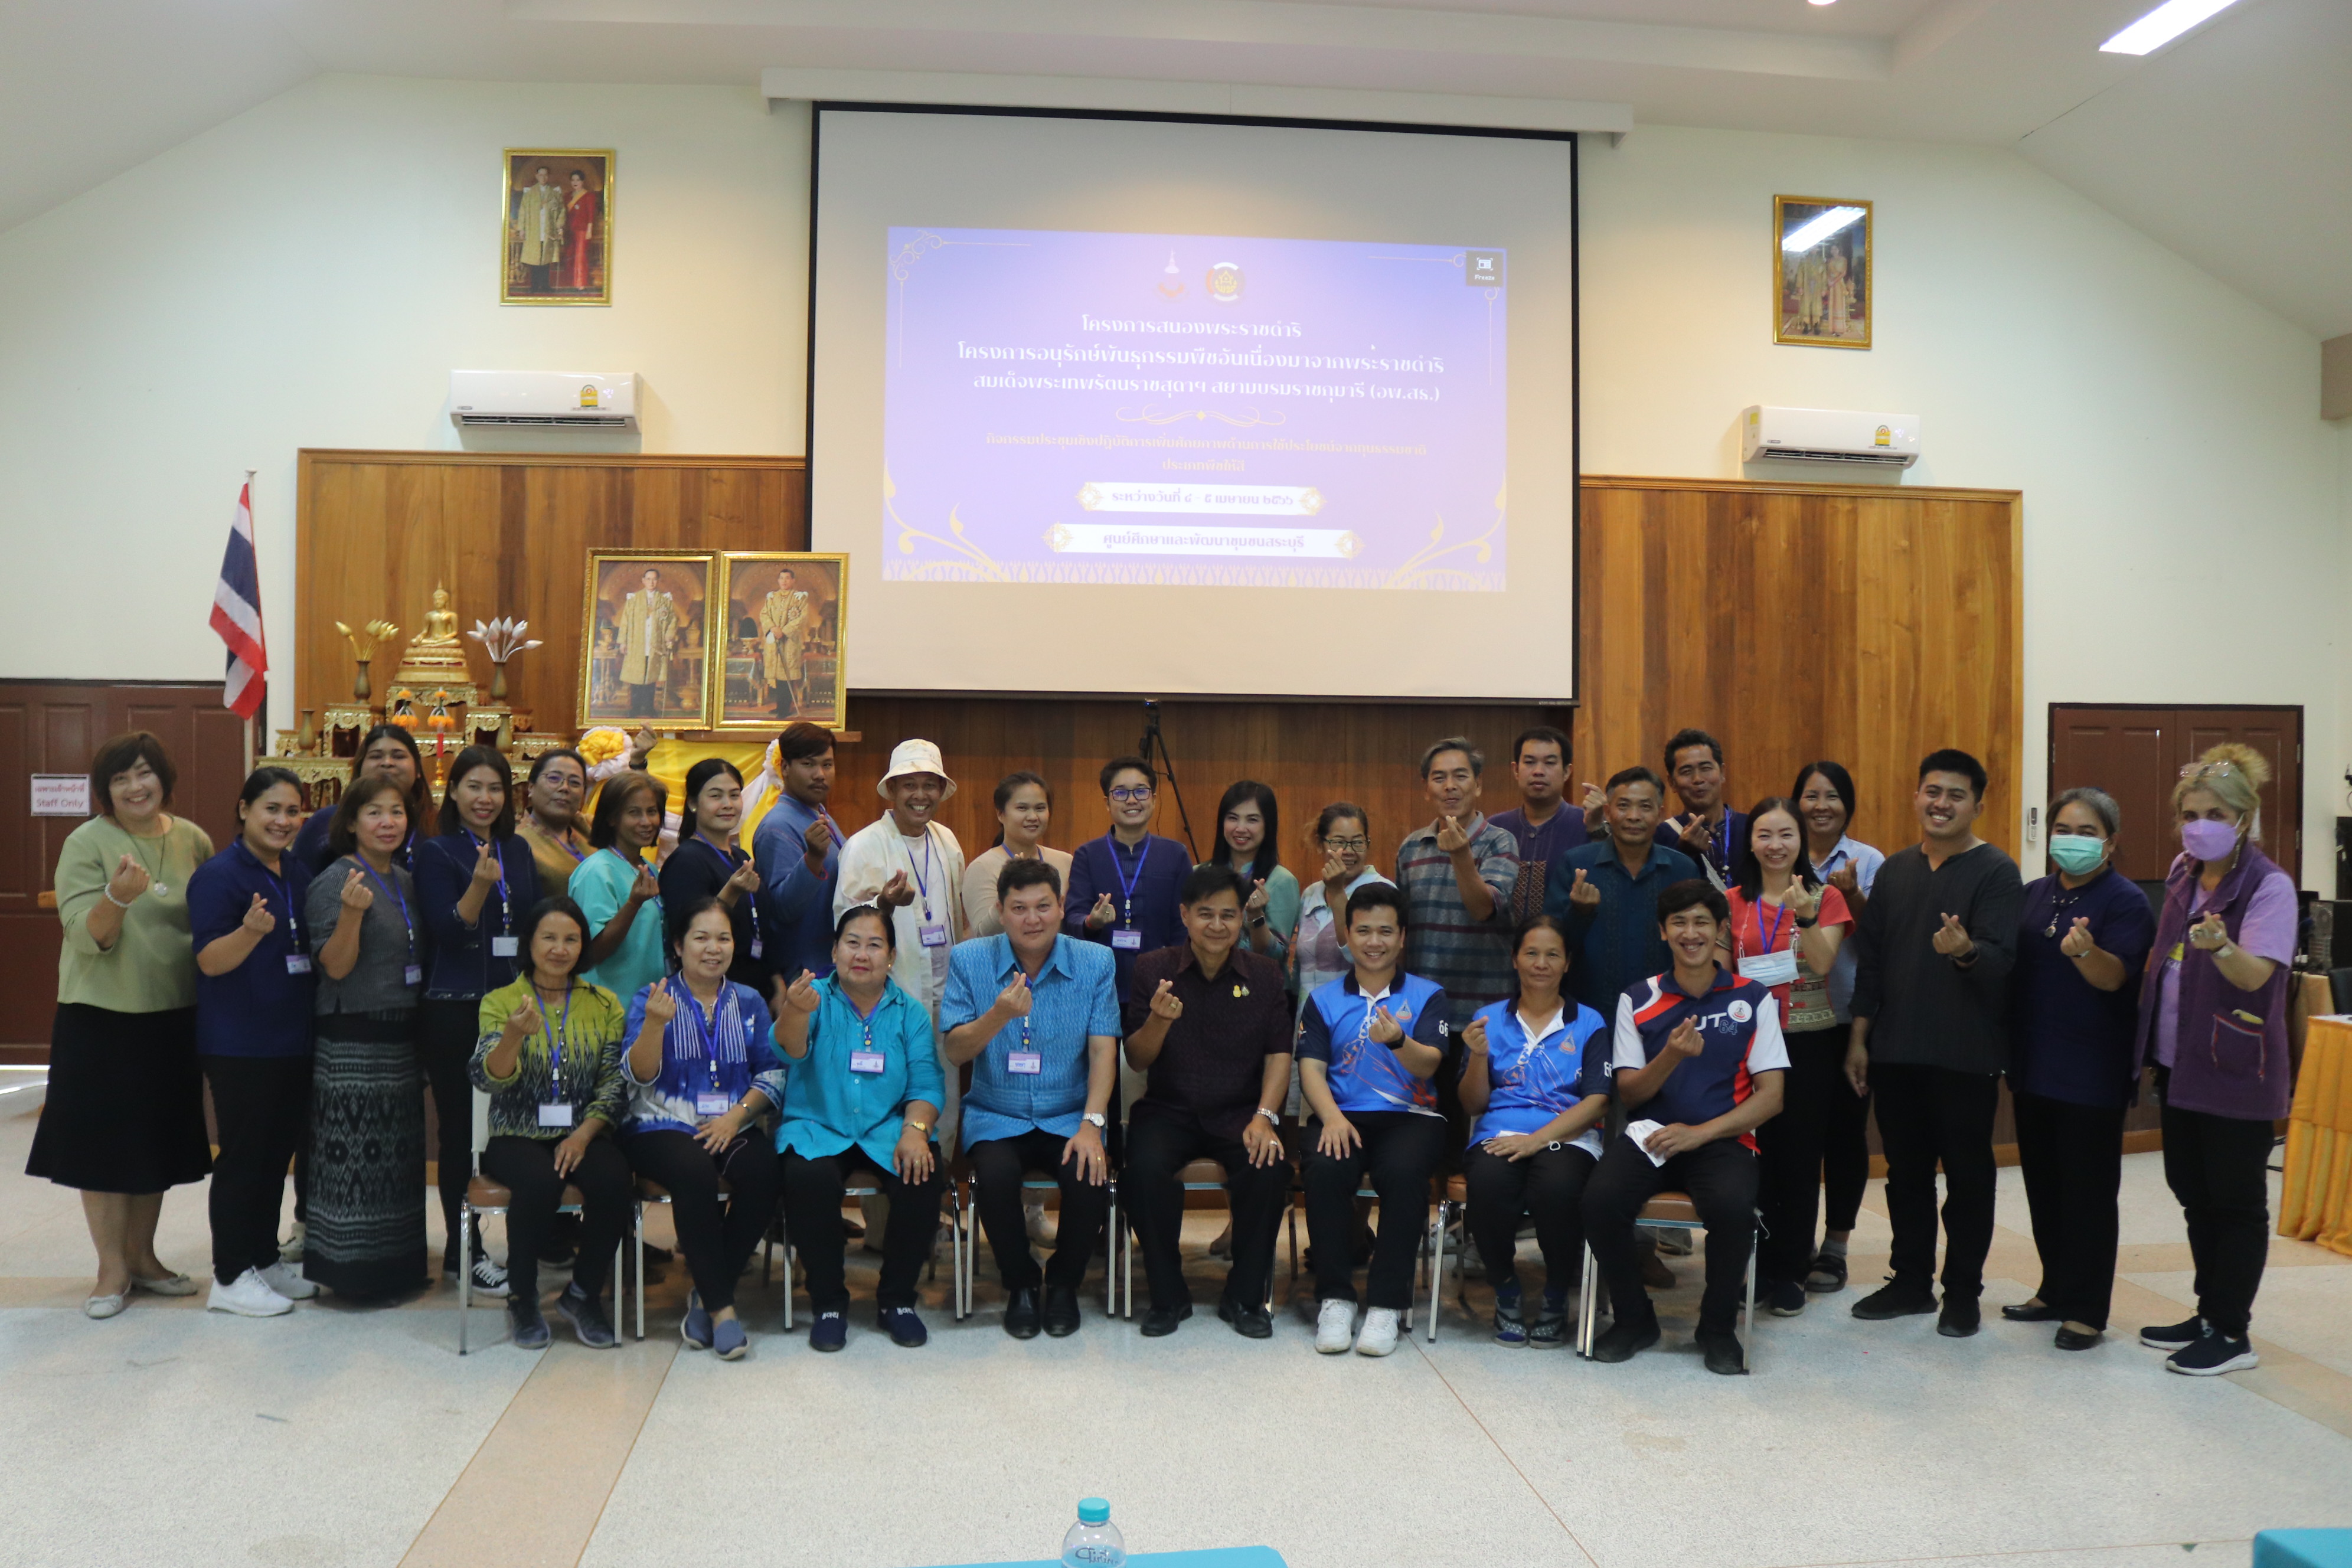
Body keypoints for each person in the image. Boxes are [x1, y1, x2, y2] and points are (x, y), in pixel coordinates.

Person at [27, 733, 214, 1318]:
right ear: (105, 791)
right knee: (103, 1146)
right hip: (101, 1018)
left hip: (173, 1014)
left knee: (154, 1141)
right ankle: (111, 1268)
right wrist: (117, 896)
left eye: (145, 773)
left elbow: (208, 920)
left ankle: (144, 1258)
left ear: (164, 779)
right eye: (121, 778)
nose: (136, 787)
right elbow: (87, 934)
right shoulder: (86, 842)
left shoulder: (193, 839)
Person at [1846, 749, 2023, 1339]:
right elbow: (1871, 962)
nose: (1941, 803)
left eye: (1955, 795)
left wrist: (1966, 951)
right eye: (1932, 791)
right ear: (1917, 796)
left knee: (1968, 1178)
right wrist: (1860, 1039)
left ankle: (1963, 1293)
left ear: (1978, 805)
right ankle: (1910, 1282)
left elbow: (2001, 961)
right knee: (1906, 1176)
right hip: (1896, 1050)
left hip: (1965, 1054)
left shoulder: (1997, 871)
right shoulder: (1895, 870)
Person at [2132, 744, 2297, 1376]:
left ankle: (2232, 1332)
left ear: (2244, 819)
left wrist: (2224, 947)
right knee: (2193, 1191)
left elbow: (2256, 976)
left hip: (2237, 1066)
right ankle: (2208, 1311)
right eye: (2190, 814)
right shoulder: (2183, 871)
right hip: (2181, 1062)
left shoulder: (2268, 886)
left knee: (2235, 1201)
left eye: (2216, 814)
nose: (2200, 826)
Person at [1583, 880, 1788, 1374]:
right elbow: (1631, 1093)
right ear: (1663, 931)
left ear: (1720, 930)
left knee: (1733, 1209)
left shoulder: (1753, 997)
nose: (1690, 933)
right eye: (1679, 923)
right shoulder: (1638, 998)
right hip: (1650, 1137)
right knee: (1599, 1202)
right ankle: (1634, 1320)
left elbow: (1772, 1098)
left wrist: (1700, 1134)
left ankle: (1716, 1328)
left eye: (1701, 922)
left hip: (1722, 1139)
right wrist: (1671, 1056)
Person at [2002, 788, 2154, 1351]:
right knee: (2044, 1185)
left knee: (2087, 1192)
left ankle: (2088, 1308)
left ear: (2110, 843)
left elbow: (2114, 978)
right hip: (2034, 1064)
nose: (2073, 840)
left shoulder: (2126, 901)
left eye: (2087, 832)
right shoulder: (2034, 894)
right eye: (2064, 829)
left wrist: (2085, 952)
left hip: (2091, 1070)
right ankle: (2056, 1289)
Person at [942, 859, 1120, 1337]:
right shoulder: (969, 959)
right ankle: (1020, 1282)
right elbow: (955, 1051)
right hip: (996, 1113)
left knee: (1088, 1175)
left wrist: (1092, 1125)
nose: (1032, 919)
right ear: (1001, 912)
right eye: (1019, 909)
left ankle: (1063, 1284)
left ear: (1061, 908)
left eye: (1043, 906)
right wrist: (998, 1015)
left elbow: (1103, 1051)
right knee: (994, 1177)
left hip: (1069, 1113)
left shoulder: (1095, 962)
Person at [1122, 864, 1293, 1338]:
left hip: (1240, 1112)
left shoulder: (1265, 975)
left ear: (1242, 919)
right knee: (1143, 1168)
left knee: (1268, 1168)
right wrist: (1158, 1021)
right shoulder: (1153, 969)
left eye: (1228, 915)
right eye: (1205, 914)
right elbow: (1136, 1058)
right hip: (1169, 1110)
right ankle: (1168, 1295)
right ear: (1185, 915)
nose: (1217, 925)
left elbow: (1279, 1054)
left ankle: (1244, 1297)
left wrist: (1265, 1117)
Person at [772, 904, 948, 1351]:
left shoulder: (909, 1013)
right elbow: (789, 1051)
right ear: (834, 951)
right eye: (852, 943)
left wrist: (915, 1130)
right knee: (807, 1178)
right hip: (818, 1125)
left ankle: (896, 1301)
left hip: (887, 1129)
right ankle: (829, 1303)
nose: (862, 954)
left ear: (891, 957)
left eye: (875, 945)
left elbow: (927, 1083)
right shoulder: (813, 997)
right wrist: (794, 1011)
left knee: (923, 1172)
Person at [620, 899, 786, 1361]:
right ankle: (722, 1310)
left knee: (764, 1170)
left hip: (731, 1121)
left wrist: (736, 1117)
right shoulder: (651, 997)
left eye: (723, 938)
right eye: (701, 938)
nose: (714, 948)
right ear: (678, 945)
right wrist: (655, 1026)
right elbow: (638, 1075)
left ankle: (707, 1294)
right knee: (694, 1170)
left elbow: (772, 1073)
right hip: (660, 1124)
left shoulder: (750, 1001)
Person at [1297, 881, 1451, 1357]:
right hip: (1342, 1115)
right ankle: (1336, 1299)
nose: (1374, 941)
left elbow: (1430, 1064)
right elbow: (1311, 1069)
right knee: (1324, 1168)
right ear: (1348, 935)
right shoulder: (1323, 999)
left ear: (1402, 937)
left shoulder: (1428, 995)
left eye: (1386, 931)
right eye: (1364, 931)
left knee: (1404, 1174)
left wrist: (1399, 1041)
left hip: (1411, 1118)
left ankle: (1386, 1304)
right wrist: (1331, 1119)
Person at [188, 767, 319, 1317]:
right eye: (272, 809)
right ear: (244, 810)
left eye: (292, 811)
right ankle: (229, 1275)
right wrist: (249, 933)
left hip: (291, 1037)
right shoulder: (219, 876)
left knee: (274, 1158)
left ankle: (263, 1259)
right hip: (241, 1042)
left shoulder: (297, 870)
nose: (283, 821)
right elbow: (209, 961)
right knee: (243, 1160)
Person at [472, 897, 632, 1349]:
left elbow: (613, 1084)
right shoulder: (500, 1002)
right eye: (549, 938)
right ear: (529, 943)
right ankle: (522, 1297)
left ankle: (582, 1294)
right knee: (539, 1182)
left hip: (583, 1130)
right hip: (515, 1131)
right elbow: (488, 1077)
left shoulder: (604, 1003)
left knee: (615, 1178)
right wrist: (513, 1036)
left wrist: (582, 1135)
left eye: (571, 940)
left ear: (582, 947)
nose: (560, 949)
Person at [414, 746, 540, 1295]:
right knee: (463, 1131)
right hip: (456, 1007)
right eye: (474, 787)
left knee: (512, 1129)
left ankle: (520, 1243)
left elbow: (532, 924)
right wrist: (481, 886)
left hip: (515, 1006)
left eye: (495, 788)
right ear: (454, 793)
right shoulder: (437, 852)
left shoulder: (518, 848)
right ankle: (461, 1253)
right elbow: (447, 930)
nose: (485, 799)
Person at [301, 775, 428, 1299]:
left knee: (396, 1161)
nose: (387, 822)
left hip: (402, 1034)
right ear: (352, 823)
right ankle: (352, 1276)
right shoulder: (335, 880)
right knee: (353, 1160)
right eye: (374, 813)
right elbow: (334, 966)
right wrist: (352, 914)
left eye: (396, 812)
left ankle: (397, 1269)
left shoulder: (405, 879)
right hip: (352, 1034)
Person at [1458, 916, 1612, 1348]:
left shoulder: (1590, 1022)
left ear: (1567, 963)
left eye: (1552, 955)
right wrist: (1477, 1058)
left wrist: (1536, 1141)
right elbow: (1472, 1104)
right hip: (1499, 1132)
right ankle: (1505, 1288)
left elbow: (1598, 1101)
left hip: (1569, 1136)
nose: (1541, 963)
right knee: (1488, 1183)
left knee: (1558, 1189)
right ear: (1514, 959)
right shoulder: (1487, 1019)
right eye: (1531, 953)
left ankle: (1556, 1293)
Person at [1726, 798, 1854, 1315]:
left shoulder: (1826, 898)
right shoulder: (1731, 901)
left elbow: (1822, 964)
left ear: (1801, 841)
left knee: (1801, 1158)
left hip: (1807, 1040)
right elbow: (1723, 974)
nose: (1775, 845)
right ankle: (1757, 1266)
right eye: (1764, 835)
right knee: (1756, 1156)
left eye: (1786, 835)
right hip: (1749, 1043)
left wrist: (1805, 917)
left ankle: (1792, 1271)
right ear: (1750, 842)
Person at [835, 739, 968, 1144]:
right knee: (888, 1097)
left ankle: (937, 1176)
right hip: (889, 999)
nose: (920, 795)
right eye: (910, 785)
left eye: (929, 785)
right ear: (892, 790)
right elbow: (843, 924)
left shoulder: (947, 841)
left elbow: (956, 916)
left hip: (946, 998)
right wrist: (885, 904)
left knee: (944, 1097)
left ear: (941, 790)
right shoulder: (863, 845)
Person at [1791, 760, 1885, 1293]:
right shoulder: (1781, 853)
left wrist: (1851, 896)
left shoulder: (1868, 861)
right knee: (1795, 1137)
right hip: (1789, 1020)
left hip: (1849, 1015)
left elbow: (1879, 937)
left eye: (1832, 796)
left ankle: (1837, 1246)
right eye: (1811, 796)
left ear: (1847, 805)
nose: (1821, 806)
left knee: (1846, 1135)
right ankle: (1794, 1240)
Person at [1547, 767, 1702, 1018]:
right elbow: (1551, 946)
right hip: (1589, 1015)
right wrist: (1580, 913)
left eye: (1645, 807)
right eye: (1623, 806)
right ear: (1608, 812)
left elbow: (1697, 942)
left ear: (1660, 814)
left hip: (1666, 1013)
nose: (1634, 816)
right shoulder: (1576, 865)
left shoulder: (1683, 869)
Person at [1393, 739, 1515, 1043]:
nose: (1450, 786)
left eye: (1461, 776)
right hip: (1423, 1010)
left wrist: (1461, 855)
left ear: (1478, 785)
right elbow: (1401, 930)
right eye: (1439, 778)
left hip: (1484, 1014)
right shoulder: (1411, 848)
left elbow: (1483, 909)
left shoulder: (1500, 841)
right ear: (1426, 789)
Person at [1067, 755, 1194, 1003]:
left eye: (1141, 791)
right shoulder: (1088, 855)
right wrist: (1092, 922)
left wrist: (1178, 976)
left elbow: (1185, 923)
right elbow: (1073, 918)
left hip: (1162, 984)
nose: (1132, 800)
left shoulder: (1175, 854)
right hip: (1100, 985)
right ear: (1107, 803)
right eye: (1121, 793)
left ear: (1154, 799)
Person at [660, 759, 775, 1004]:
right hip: (712, 992)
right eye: (716, 796)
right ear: (693, 803)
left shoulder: (741, 857)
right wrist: (731, 891)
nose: (728, 805)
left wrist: (776, 981)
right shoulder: (686, 860)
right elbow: (687, 933)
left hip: (757, 987)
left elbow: (762, 925)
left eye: (734, 795)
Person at [753, 723, 847, 982]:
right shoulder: (777, 826)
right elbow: (782, 908)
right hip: (803, 973)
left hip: (828, 964)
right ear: (785, 767)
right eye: (808, 764)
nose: (820, 774)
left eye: (827, 765)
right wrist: (813, 859)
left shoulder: (817, 812)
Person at [573, 771, 668, 1001]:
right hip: (608, 1007)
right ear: (612, 818)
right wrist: (633, 904)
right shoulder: (597, 870)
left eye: (652, 812)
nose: (646, 822)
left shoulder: (649, 868)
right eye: (634, 813)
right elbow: (593, 952)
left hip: (647, 1003)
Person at [1293, 803, 1393, 1016]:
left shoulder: (1382, 891)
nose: (1348, 851)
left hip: (1355, 1017)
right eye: (1339, 842)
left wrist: (1337, 893)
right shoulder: (1310, 894)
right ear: (1320, 844)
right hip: (1308, 1017)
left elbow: (1357, 955)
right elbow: (1299, 967)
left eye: (1357, 842)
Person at [292, 724, 428, 876]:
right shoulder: (324, 822)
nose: (387, 763)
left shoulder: (433, 825)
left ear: (418, 770)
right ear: (359, 767)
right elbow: (298, 880)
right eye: (376, 756)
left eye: (398, 756)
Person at [1489, 726, 1591, 922]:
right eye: (1529, 762)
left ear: (1567, 772)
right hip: (1501, 942)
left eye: (1550, 763)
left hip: (1567, 940)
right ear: (1516, 770)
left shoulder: (1587, 826)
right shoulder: (1495, 828)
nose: (1538, 771)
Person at [961, 770, 1074, 939]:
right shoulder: (982, 867)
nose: (1033, 817)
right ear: (1001, 814)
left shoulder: (1065, 861)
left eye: (1040, 808)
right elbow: (983, 935)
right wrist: (1009, 887)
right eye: (1022, 808)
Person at [1211, 780, 1299, 965]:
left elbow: (1277, 956)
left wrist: (1256, 917)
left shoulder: (1282, 880)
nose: (1240, 828)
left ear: (1268, 825)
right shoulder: (1200, 873)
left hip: (1259, 981)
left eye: (1252, 820)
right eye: (1233, 818)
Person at [1657, 729, 1748, 889]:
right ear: (1672, 782)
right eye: (1686, 772)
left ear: (1722, 773)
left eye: (1706, 768)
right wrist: (1683, 852)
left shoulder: (1752, 827)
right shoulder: (1661, 837)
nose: (1698, 779)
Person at [514, 749, 593, 897]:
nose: (565, 788)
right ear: (531, 787)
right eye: (554, 778)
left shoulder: (588, 828)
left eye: (575, 783)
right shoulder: (518, 843)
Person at [617, 567, 677, 717]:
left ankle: (649, 707)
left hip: (655, 644)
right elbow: (625, 621)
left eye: (654, 579)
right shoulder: (634, 599)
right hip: (636, 643)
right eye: (648, 579)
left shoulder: (665, 600)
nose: (651, 582)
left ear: (658, 581)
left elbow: (672, 620)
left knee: (651, 677)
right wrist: (623, 642)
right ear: (643, 581)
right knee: (636, 677)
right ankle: (636, 708)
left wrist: (669, 636)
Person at [757, 565, 809, 718]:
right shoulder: (772, 598)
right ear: (778, 581)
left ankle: (785, 709)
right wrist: (773, 628)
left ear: (793, 581)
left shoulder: (800, 598)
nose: (784, 581)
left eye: (787, 578)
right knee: (777, 676)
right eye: (781, 578)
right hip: (774, 642)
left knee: (786, 677)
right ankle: (780, 706)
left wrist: (784, 631)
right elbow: (764, 614)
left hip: (790, 643)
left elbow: (803, 618)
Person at [512, 164, 563, 292]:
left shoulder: (555, 193)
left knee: (546, 259)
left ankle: (545, 286)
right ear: (537, 176)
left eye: (545, 175)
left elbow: (562, 211)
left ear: (548, 176)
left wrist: (559, 227)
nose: (543, 178)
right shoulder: (529, 193)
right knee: (535, 259)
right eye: (541, 175)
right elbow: (523, 211)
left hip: (548, 230)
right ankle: (534, 286)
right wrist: (522, 229)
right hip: (533, 230)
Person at [563, 166, 599, 291]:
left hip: (583, 231)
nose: (575, 182)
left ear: (582, 182)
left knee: (580, 256)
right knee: (570, 255)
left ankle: (580, 283)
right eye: (573, 180)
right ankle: (572, 281)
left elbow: (591, 214)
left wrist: (589, 230)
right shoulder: (568, 196)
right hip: (570, 230)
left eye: (578, 180)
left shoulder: (589, 196)